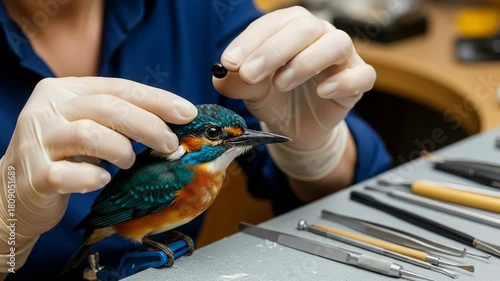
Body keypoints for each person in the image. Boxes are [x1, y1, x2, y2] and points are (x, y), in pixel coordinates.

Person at [0, 0, 391, 280]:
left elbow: (358, 199)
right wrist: (5, 234)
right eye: (215, 135)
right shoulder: (173, 179)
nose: (227, 141)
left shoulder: (202, 8)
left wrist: (318, 153)